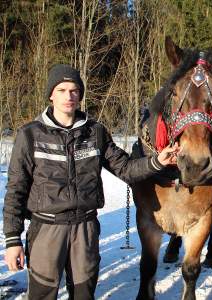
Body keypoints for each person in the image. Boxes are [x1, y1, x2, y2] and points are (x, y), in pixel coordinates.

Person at [3, 64, 178, 299]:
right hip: (46, 229)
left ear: (81, 95)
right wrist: (13, 239)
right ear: (51, 95)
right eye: (62, 90)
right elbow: (16, 189)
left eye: (74, 90)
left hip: (84, 229)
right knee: (41, 295)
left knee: (84, 294)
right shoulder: (30, 135)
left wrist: (158, 161)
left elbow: (125, 168)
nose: (69, 96)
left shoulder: (95, 132)